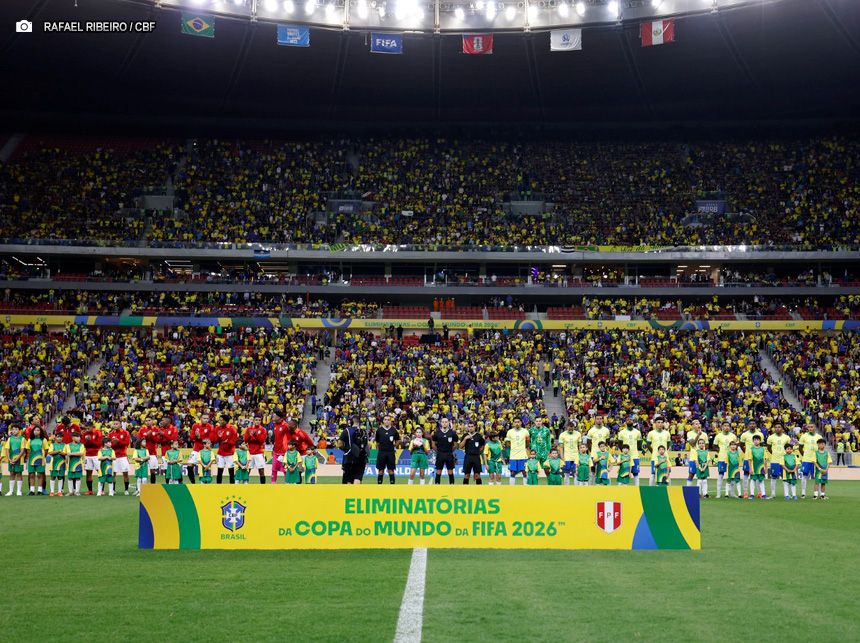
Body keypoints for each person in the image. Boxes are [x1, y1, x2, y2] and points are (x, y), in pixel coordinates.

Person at [188, 412, 215, 485]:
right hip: (196, 450)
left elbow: (211, 439)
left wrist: (200, 437)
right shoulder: (195, 426)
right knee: (189, 466)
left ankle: (205, 483)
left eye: (207, 418)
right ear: (200, 419)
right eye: (204, 418)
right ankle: (193, 483)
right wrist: (196, 436)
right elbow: (191, 438)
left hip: (205, 451)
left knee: (205, 467)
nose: (206, 420)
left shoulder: (210, 427)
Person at [798, 423, 823, 499]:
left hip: (817, 460)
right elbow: (800, 448)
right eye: (808, 427)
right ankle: (803, 493)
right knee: (804, 476)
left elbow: (821, 447)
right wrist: (805, 455)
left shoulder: (819, 436)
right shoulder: (804, 436)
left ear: (815, 427)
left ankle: (818, 493)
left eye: (812, 427)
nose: (810, 428)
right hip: (806, 459)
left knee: (818, 476)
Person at [339, 421, 368, 485]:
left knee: (348, 480)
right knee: (358, 478)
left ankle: (348, 494)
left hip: (349, 457)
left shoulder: (346, 430)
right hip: (361, 458)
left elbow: (340, 444)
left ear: (351, 422)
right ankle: (355, 494)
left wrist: (346, 450)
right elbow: (367, 446)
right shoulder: (364, 432)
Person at [739, 421, 763, 498]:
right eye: (750, 424)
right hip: (747, 458)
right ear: (748, 425)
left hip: (757, 460)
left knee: (758, 475)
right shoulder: (744, 434)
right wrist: (747, 453)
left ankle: (759, 492)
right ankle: (745, 492)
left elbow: (761, 446)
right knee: (746, 475)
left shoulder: (760, 434)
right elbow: (741, 445)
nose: (752, 425)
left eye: (753, 424)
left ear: (756, 425)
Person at [374, 414, 400, 485]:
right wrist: (379, 449)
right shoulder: (379, 430)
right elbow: (377, 442)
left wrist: (394, 446)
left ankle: (392, 487)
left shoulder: (393, 430)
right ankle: (379, 487)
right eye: (385, 420)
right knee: (381, 470)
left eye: (388, 420)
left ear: (390, 421)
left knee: (391, 470)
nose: (387, 421)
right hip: (381, 452)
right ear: (383, 421)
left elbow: (398, 440)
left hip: (390, 452)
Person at [767, 423, 791, 500]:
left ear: (782, 428)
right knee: (773, 477)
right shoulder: (770, 437)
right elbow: (769, 448)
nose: (777, 428)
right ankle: (773, 494)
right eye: (776, 427)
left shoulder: (787, 437)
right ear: (774, 428)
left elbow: (788, 448)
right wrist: (775, 453)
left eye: (779, 427)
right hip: (774, 460)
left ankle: (786, 494)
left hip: (784, 461)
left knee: (785, 478)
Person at [108, 421, 132, 496]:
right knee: (113, 473)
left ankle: (126, 490)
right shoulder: (110, 434)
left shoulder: (125, 433)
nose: (115, 425)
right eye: (114, 424)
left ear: (120, 425)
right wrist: (113, 443)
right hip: (114, 456)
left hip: (123, 456)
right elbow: (109, 445)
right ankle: (113, 489)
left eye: (116, 424)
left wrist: (118, 441)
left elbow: (127, 443)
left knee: (125, 473)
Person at [713, 422, 736, 499]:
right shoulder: (718, 436)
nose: (726, 427)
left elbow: (736, 446)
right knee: (721, 475)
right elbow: (714, 446)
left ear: (730, 427)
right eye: (725, 426)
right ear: (722, 427)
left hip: (731, 459)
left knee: (732, 475)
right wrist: (720, 451)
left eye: (728, 426)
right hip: (722, 458)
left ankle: (732, 493)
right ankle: (718, 493)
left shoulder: (733, 436)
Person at [432, 417, 458, 485]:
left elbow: (455, 445)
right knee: (438, 471)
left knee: (450, 472)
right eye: (443, 422)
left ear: (448, 423)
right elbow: (433, 445)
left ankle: (451, 487)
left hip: (449, 454)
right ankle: (437, 487)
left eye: (446, 422)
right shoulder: (437, 433)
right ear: (441, 423)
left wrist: (449, 451)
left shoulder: (452, 433)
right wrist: (439, 452)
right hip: (440, 454)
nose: (444, 423)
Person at [647, 416, 671, 486]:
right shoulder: (651, 433)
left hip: (665, 457)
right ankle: (650, 490)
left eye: (661, 422)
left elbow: (668, 444)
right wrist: (654, 452)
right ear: (655, 424)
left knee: (667, 473)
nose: (660, 424)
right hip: (655, 457)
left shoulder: (667, 433)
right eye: (658, 422)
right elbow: (648, 445)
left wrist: (664, 452)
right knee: (653, 474)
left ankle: (668, 490)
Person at [505, 417, 530, 486]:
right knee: (512, 472)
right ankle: (512, 488)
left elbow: (528, 441)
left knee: (524, 471)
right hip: (513, 455)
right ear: (513, 423)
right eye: (515, 422)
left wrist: (524, 447)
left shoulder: (525, 431)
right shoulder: (510, 432)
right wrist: (513, 448)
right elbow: (507, 443)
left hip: (523, 455)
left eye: (518, 422)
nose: (517, 423)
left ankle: (525, 486)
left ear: (521, 422)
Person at [24, 425, 48, 496]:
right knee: (31, 475)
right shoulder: (30, 440)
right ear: (33, 432)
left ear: (40, 432)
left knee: (40, 475)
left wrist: (43, 457)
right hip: (31, 460)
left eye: (38, 430)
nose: (36, 431)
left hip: (40, 460)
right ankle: (32, 490)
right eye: (35, 430)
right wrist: (29, 459)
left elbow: (46, 450)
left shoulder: (43, 440)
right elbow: (28, 450)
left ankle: (40, 490)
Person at [617, 422, 642, 486]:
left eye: (631, 419)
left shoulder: (637, 432)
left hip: (635, 456)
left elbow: (639, 444)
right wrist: (624, 452)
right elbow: (619, 443)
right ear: (625, 422)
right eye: (628, 419)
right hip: (625, 457)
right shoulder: (622, 432)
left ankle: (637, 489)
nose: (629, 421)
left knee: (635, 473)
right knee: (623, 473)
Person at [81, 423, 103, 496]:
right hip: (88, 455)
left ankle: (101, 490)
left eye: (88, 428)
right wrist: (87, 442)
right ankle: (90, 490)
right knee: (88, 473)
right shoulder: (84, 434)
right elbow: (83, 444)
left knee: (100, 472)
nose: (87, 430)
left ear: (92, 427)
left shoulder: (97, 433)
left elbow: (99, 444)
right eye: (86, 428)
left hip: (97, 455)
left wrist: (90, 441)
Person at [215, 415, 238, 484]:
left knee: (231, 471)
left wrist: (227, 441)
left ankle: (232, 487)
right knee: (219, 471)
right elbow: (214, 440)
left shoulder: (232, 429)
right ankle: (218, 487)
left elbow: (234, 441)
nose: (220, 421)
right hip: (220, 453)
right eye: (219, 420)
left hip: (230, 454)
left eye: (221, 420)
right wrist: (219, 437)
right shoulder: (217, 428)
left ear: (225, 421)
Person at [586, 416, 610, 483]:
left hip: (603, 455)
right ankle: (591, 488)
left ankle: (603, 488)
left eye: (600, 419)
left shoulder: (606, 430)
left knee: (604, 471)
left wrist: (604, 451)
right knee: (592, 472)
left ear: (602, 420)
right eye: (597, 419)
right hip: (594, 455)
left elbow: (607, 442)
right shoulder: (591, 431)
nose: (599, 420)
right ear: (595, 420)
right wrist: (592, 451)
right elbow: (588, 443)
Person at [558, 422, 582, 486]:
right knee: (566, 473)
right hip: (567, 456)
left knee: (576, 473)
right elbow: (561, 447)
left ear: (574, 427)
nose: (570, 429)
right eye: (569, 428)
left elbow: (580, 446)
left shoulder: (578, 434)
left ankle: (576, 488)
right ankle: (566, 487)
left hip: (576, 456)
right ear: (566, 427)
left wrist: (580, 455)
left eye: (572, 428)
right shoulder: (562, 435)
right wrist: (562, 457)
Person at [4, 425, 26, 496]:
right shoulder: (10, 439)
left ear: (19, 430)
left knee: (19, 474)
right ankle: (11, 491)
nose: (14, 431)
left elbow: (22, 450)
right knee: (12, 473)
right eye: (13, 429)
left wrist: (17, 458)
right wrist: (9, 459)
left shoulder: (22, 439)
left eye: (16, 429)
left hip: (19, 460)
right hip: (11, 460)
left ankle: (19, 491)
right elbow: (7, 449)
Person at [245, 416, 268, 484]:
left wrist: (255, 435)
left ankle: (263, 487)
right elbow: (245, 440)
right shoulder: (249, 429)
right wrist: (250, 435)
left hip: (259, 453)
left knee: (261, 471)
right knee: (247, 471)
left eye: (259, 420)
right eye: (256, 420)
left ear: (260, 421)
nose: (257, 421)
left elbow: (261, 441)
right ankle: (245, 485)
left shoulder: (263, 429)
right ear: (254, 421)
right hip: (250, 453)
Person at [139, 420, 162, 485]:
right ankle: (139, 489)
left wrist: (151, 435)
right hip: (142, 453)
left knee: (152, 471)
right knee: (141, 470)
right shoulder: (142, 430)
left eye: (149, 420)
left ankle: (153, 485)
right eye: (146, 421)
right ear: (144, 422)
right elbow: (139, 440)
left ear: (152, 422)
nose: (148, 422)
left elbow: (158, 440)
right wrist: (147, 435)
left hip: (152, 453)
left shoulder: (156, 429)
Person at [686, 419, 707, 488]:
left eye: (699, 423)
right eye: (696, 424)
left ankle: (701, 493)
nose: (698, 425)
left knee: (702, 475)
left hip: (702, 458)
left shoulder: (704, 434)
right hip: (693, 457)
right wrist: (698, 435)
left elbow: (706, 446)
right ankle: (688, 490)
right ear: (692, 426)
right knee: (691, 474)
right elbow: (692, 444)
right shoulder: (689, 433)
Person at [270, 411, 290, 484]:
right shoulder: (275, 425)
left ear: (279, 417)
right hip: (276, 451)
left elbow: (290, 438)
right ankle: (273, 484)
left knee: (285, 469)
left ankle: (287, 484)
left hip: (284, 452)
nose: (273, 417)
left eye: (274, 416)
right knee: (274, 469)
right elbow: (276, 438)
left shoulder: (286, 426)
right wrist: (273, 448)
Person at [747, 434, 768, 500]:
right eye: (755, 440)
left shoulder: (763, 449)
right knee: (753, 480)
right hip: (754, 468)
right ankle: (752, 494)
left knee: (761, 481)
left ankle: (763, 494)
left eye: (758, 440)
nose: (756, 441)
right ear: (753, 441)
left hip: (761, 468)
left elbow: (765, 459)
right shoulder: (751, 449)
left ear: (760, 441)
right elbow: (749, 460)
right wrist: (750, 469)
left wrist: (766, 468)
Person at [64, 431, 85, 496]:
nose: (79, 438)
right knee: (70, 477)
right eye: (78, 437)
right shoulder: (67, 445)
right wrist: (71, 454)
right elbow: (66, 453)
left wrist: (71, 454)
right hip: (70, 465)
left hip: (78, 464)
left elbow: (81, 453)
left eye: (79, 437)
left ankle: (77, 491)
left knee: (78, 477)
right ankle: (70, 491)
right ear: (73, 438)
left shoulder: (81, 445)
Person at [48, 431, 67, 496]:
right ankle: (52, 491)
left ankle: (59, 491)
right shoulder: (52, 445)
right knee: (53, 477)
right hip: (53, 463)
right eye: (58, 437)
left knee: (60, 477)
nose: (59, 438)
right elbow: (50, 453)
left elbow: (65, 453)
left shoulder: (65, 445)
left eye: (61, 437)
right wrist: (59, 451)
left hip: (62, 463)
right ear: (55, 438)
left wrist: (56, 452)